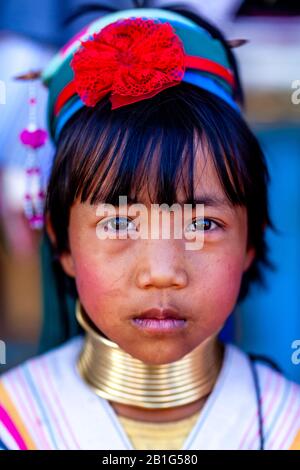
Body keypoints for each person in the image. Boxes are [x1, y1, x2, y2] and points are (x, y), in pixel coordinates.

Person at [0, 5, 299, 451]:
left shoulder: (285, 425)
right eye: (118, 222)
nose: (162, 271)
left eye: (203, 223)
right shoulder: (13, 424)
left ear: (250, 241)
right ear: (62, 243)